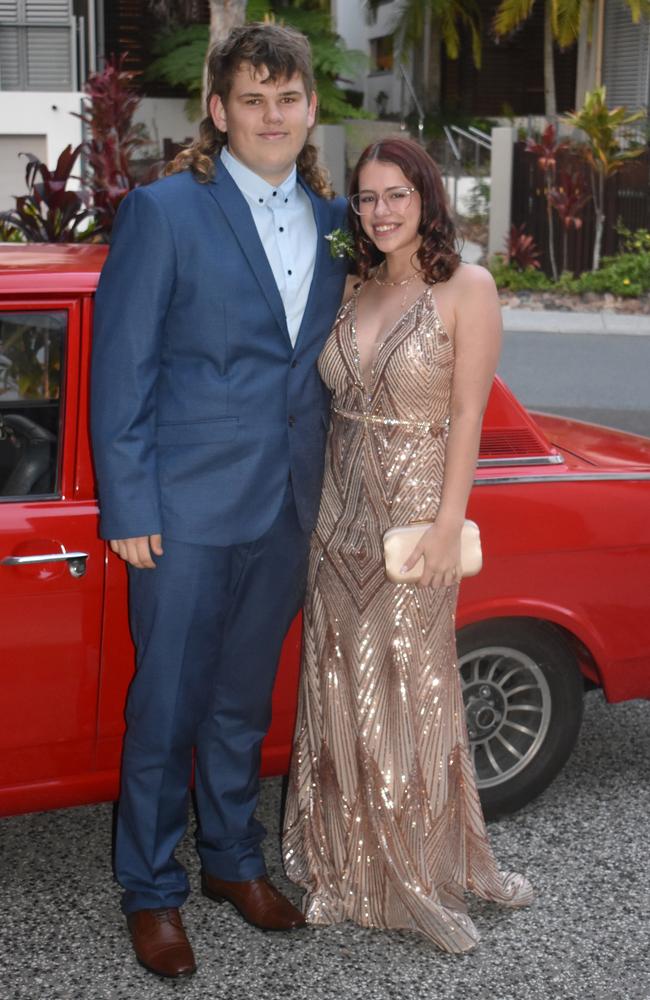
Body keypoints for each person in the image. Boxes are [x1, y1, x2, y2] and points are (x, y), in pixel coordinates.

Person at [90, 23, 348, 978]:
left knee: (243, 702)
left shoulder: (333, 221)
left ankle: (233, 864)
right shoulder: (164, 212)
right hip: (185, 510)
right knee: (166, 707)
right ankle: (151, 890)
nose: (271, 116)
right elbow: (124, 370)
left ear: (310, 109)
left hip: (288, 503)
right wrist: (129, 506)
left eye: (288, 99)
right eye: (252, 98)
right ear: (219, 109)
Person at [282, 137, 534, 953]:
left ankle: (416, 868)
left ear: (426, 197)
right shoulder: (352, 284)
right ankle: (343, 863)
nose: (381, 210)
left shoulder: (467, 287)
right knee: (336, 685)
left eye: (397, 194)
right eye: (366, 197)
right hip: (337, 518)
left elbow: (470, 415)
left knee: (413, 691)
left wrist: (444, 523)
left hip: (415, 523)